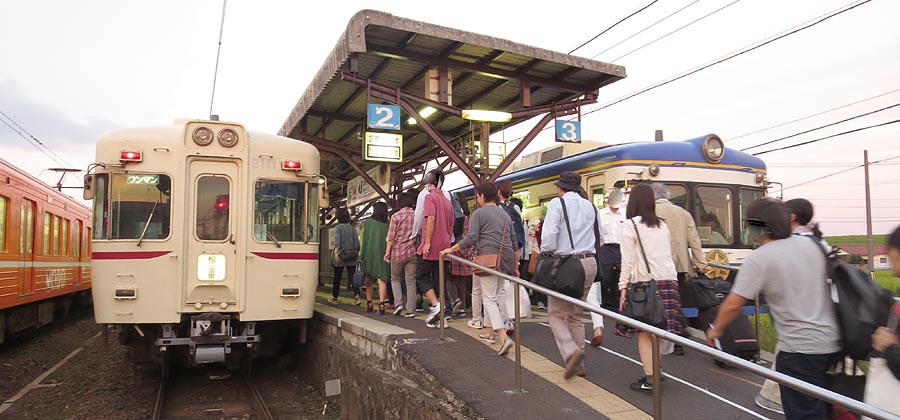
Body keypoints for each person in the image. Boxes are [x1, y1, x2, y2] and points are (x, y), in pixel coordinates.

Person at [706, 197, 841, 420]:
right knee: (822, 408)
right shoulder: (811, 244)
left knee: (803, 413)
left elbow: (732, 304)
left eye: (748, 223)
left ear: (760, 226)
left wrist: (716, 330)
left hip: (798, 350)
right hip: (833, 343)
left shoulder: (760, 258)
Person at [755, 197, 830, 415]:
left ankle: (773, 398)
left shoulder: (793, 243)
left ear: (791, 217)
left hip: (800, 317)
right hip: (821, 316)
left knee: (792, 357)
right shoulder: (818, 242)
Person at [613, 184, 680, 394]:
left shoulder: (630, 225)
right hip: (668, 282)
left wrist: (622, 286)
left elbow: (628, 260)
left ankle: (651, 380)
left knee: (644, 332)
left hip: (644, 284)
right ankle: (655, 372)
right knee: (657, 331)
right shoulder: (662, 225)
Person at [441, 181, 519, 355]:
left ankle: (502, 336)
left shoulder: (479, 213)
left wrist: (451, 249)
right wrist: (515, 266)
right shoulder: (505, 213)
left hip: (489, 259)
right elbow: (514, 243)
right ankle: (490, 332)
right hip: (505, 259)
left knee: (489, 299)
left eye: (478, 195)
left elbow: (471, 238)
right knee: (496, 294)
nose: (478, 198)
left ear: (482, 196)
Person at [540, 171, 600, 379]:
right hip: (589, 262)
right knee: (576, 314)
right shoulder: (591, 205)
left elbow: (548, 237)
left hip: (566, 264)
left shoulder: (558, 203)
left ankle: (572, 352)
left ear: (561, 188)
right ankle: (580, 363)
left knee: (555, 314)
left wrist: (547, 251)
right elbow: (599, 233)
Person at [651, 182, 706, 356]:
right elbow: (694, 241)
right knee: (677, 300)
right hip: (681, 265)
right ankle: (679, 335)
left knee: (658, 301)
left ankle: (663, 335)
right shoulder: (683, 213)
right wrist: (700, 263)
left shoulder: (649, 213)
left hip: (657, 265)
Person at [415, 169, 455, 327]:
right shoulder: (447, 201)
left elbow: (430, 218)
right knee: (440, 282)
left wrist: (427, 242)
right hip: (445, 246)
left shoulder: (429, 197)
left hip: (431, 245)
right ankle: (443, 319)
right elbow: (451, 225)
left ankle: (436, 305)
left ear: (428, 183)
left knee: (421, 277)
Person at [591, 188, 625, 347]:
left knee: (621, 278)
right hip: (605, 249)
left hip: (621, 249)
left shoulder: (625, 214)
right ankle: (605, 303)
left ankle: (620, 306)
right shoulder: (601, 213)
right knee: (604, 277)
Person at [385, 192, 418, 317]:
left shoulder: (396, 216)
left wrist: (387, 252)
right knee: (411, 281)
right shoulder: (416, 215)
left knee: (395, 279)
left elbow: (390, 237)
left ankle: (398, 304)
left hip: (397, 253)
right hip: (411, 253)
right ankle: (411, 310)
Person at [360, 202, 390, 314]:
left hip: (370, 252)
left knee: (369, 278)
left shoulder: (368, 222)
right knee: (382, 278)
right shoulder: (388, 223)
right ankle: (382, 305)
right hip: (384, 253)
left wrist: (362, 255)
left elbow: (365, 239)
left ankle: (369, 303)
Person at [447, 192, 472, 317]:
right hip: (466, 252)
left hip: (454, 250)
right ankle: (461, 307)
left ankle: (455, 300)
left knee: (448, 278)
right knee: (461, 281)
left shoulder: (455, 217)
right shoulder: (469, 218)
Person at [331, 207, 361, 305]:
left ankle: (335, 298)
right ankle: (357, 297)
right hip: (352, 256)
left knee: (337, 277)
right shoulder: (352, 228)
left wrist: (336, 253)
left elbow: (337, 241)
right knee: (352, 277)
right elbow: (357, 244)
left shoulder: (338, 228)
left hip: (340, 255)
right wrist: (355, 252)